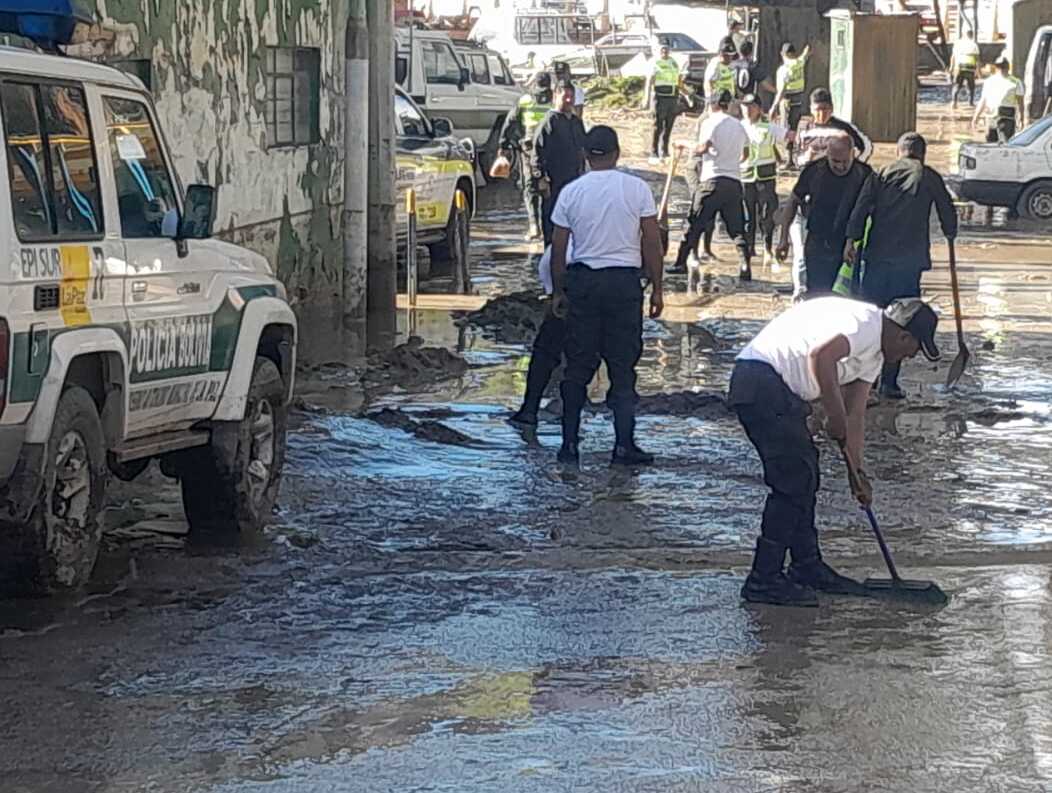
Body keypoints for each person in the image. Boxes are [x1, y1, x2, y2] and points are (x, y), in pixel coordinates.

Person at [728, 296, 942, 606]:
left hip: (779, 389)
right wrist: (834, 414)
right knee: (793, 478)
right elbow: (821, 357)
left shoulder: (875, 357)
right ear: (904, 336)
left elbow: (856, 413)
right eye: (912, 351)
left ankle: (806, 566)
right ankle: (763, 579)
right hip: (760, 379)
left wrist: (857, 472)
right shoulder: (865, 325)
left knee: (806, 473)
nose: (908, 358)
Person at [550, 126, 665, 466]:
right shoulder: (637, 189)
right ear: (617, 154)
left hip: (584, 283)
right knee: (622, 365)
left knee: (577, 366)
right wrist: (658, 287)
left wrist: (558, 290)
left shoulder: (571, 192)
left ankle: (569, 445)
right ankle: (623, 445)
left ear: (586, 156)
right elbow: (651, 242)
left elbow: (559, 246)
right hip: (624, 285)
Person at [843, 132, 958, 400]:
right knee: (902, 323)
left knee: (872, 318)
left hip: (877, 259)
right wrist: (951, 233)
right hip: (909, 262)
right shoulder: (928, 176)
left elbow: (861, 207)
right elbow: (947, 209)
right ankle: (889, 383)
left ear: (899, 152)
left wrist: (851, 239)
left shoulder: (882, 173)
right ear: (922, 153)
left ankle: (865, 380)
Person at [783, 88, 872, 297]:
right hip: (818, 236)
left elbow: (867, 147)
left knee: (848, 293)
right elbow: (793, 199)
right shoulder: (814, 169)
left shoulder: (863, 174)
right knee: (816, 291)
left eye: (844, 162)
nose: (839, 166)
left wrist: (854, 242)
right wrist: (782, 237)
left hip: (847, 239)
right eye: (835, 161)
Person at [671, 90, 751, 280]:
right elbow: (745, 155)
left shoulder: (710, 122)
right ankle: (745, 265)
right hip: (733, 183)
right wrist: (730, 162)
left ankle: (680, 263)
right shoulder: (739, 126)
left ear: (713, 104)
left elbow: (702, 148)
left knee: (694, 223)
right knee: (737, 229)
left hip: (712, 181)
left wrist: (684, 144)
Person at [508, 240, 574, 428]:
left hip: (565, 270)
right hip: (593, 274)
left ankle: (531, 409)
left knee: (547, 351)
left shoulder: (570, 210)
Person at [531, 81, 587, 245]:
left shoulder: (576, 122)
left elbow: (583, 147)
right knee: (552, 217)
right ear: (556, 96)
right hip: (553, 180)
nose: (569, 100)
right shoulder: (549, 122)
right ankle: (550, 250)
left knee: (574, 217)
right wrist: (540, 178)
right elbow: (537, 152)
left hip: (575, 179)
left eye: (571, 96)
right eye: (565, 96)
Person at [499, 72, 553, 241]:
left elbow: (510, 122)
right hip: (549, 150)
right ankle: (546, 227)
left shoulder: (525, 99)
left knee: (530, 187)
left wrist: (503, 144)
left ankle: (535, 227)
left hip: (529, 149)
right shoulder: (554, 98)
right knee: (548, 188)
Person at [740, 94, 792, 266]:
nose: (747, 110)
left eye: (751, 106)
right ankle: (748, 249)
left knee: (766, 214)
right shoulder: (739, 127)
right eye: (745, 106)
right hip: (746, 176)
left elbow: (788, 136)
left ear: (759, 108)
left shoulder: (769, 127)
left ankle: (767, 248)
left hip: (766, 177)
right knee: (748, 216)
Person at [770, 42, 811, 166]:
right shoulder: (799, 63)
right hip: (799, 99)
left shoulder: (784, 69)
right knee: (793, 127)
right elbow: (805, 55)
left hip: (787, 100)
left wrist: (774, 106)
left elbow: (781, 90)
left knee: (786, 129)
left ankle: (788, 159)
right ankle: (791, 157)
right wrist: (808, 47)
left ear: (784, 54)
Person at [973, 55, 1025, 142]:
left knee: (991, 146)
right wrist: (1021, 118)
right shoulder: (1016, 82)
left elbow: (983, 101)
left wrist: (976, 117)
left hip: (994, 118)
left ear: (996, 67)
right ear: (1008, 67)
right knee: (1004, 146)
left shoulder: (989, 81)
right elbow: (1021, 103)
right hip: (1005, 118)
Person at [650, 45, 681, 165]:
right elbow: (651, 79)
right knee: (658, 126)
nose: (665, 52)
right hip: (660, 97)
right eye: (662, 50)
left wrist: (686, 94)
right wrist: (648, 97)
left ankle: (665, 151)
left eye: (666, 50)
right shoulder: (655, 62)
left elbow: (678, 79)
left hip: (672, 97)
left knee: (669, 126)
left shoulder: (673, 63)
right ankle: (654, 151)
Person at [950, 30, 982, 110]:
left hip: (959, 67)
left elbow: (953, 56)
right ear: (972, 35)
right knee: (971, 86)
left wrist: (951, 67)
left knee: (957, 85)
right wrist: (978, 71)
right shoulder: (974, 44)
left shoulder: (958, 43)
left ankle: (954, 102)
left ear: (963, 35)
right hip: (970, 68)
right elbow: (977, 59)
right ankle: (970, 103)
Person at [705, 40, 738, 107]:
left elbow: (733, 83)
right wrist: (712, 100)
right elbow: (708, 83)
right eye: (727, 56)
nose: (729, 58)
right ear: (721, 54)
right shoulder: (715, 65)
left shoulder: (732, 65)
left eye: (731, 55)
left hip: (729, 100)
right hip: (717, 101)